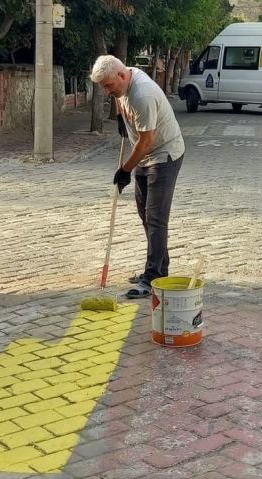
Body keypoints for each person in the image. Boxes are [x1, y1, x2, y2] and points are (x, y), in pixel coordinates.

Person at [90, 55, 186, 299]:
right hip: (144, 154)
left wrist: (125, 170)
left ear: (121, 76)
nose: (106, 91)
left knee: (155, 218)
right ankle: (159, 268)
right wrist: (123, 119)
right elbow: (122, 102)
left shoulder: (143, 94)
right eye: (103, 87)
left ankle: (152, 277)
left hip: (163, 155)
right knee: (145, 214)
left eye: (109, 86)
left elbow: (147, 141)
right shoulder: (124, 79)